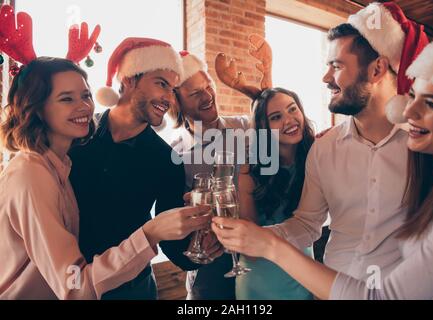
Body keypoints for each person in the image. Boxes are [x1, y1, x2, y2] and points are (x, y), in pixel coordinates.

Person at [212, 1, 429, 291]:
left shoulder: (427, 145)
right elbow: (306, 224)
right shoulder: (324, 148)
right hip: (330, 290)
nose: (326, 78)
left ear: (377, 69)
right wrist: (256, 236)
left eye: (336, 66)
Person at [0, 56, 210, 299]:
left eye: (86, 96)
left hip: (130, 287)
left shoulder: (61, 162)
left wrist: (198, 250)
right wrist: (150, 233)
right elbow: (74, 285)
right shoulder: (35, 170)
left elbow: (175, 244)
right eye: (66, 98)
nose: (83, 106)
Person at [69, 38, 212, 299]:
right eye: (161, 84)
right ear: (129, 79)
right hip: (65, 280)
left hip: (131, 289)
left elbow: (170, 239)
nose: (169, 98)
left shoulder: (166, 158)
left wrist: (199, 251)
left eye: (172, 89)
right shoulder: (76, 137)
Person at [168, 51, 250, 300]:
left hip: (256, 254)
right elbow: (173, 216)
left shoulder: (246, 127)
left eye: (208, 86)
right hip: (210, 267)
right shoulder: (174, 153)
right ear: (177, 104)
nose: (207, 96)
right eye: (195, 93)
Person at [236, 87, 315, 300]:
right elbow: (250, 248)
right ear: (263, 127)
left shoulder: (316, 156)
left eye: (292, 109)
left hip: (306, 272)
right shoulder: (249, 171)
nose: (289, 120)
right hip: (261, 279)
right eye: (276, 117)